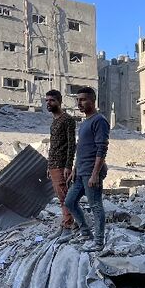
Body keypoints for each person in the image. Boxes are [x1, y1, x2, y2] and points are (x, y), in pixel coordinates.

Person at [64, 87, 109, 252]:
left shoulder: (100, 120)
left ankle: (98, 242)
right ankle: (85, 233)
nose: (79, 103)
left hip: (91, 173)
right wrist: (75, 168)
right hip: (81, 172)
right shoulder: (84, 123)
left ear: (93, 100)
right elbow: (82, 148)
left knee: (96, 206)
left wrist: (95, 174)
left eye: (83, 99)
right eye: (78, 100)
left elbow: (101, 149)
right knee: (69, 201)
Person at [45, 89, 76, 238]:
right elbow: (53, 145)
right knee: (60, 196)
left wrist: (68, 166)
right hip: (53, 165)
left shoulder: (67, 120)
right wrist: (48, 165)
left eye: (51, 100)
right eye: (46, 101)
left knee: (65, 196)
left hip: (62, 165)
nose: (48, 103)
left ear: (59, 101)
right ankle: (66, 222)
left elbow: (72, 144)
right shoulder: (54, 122)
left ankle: (68, 225)